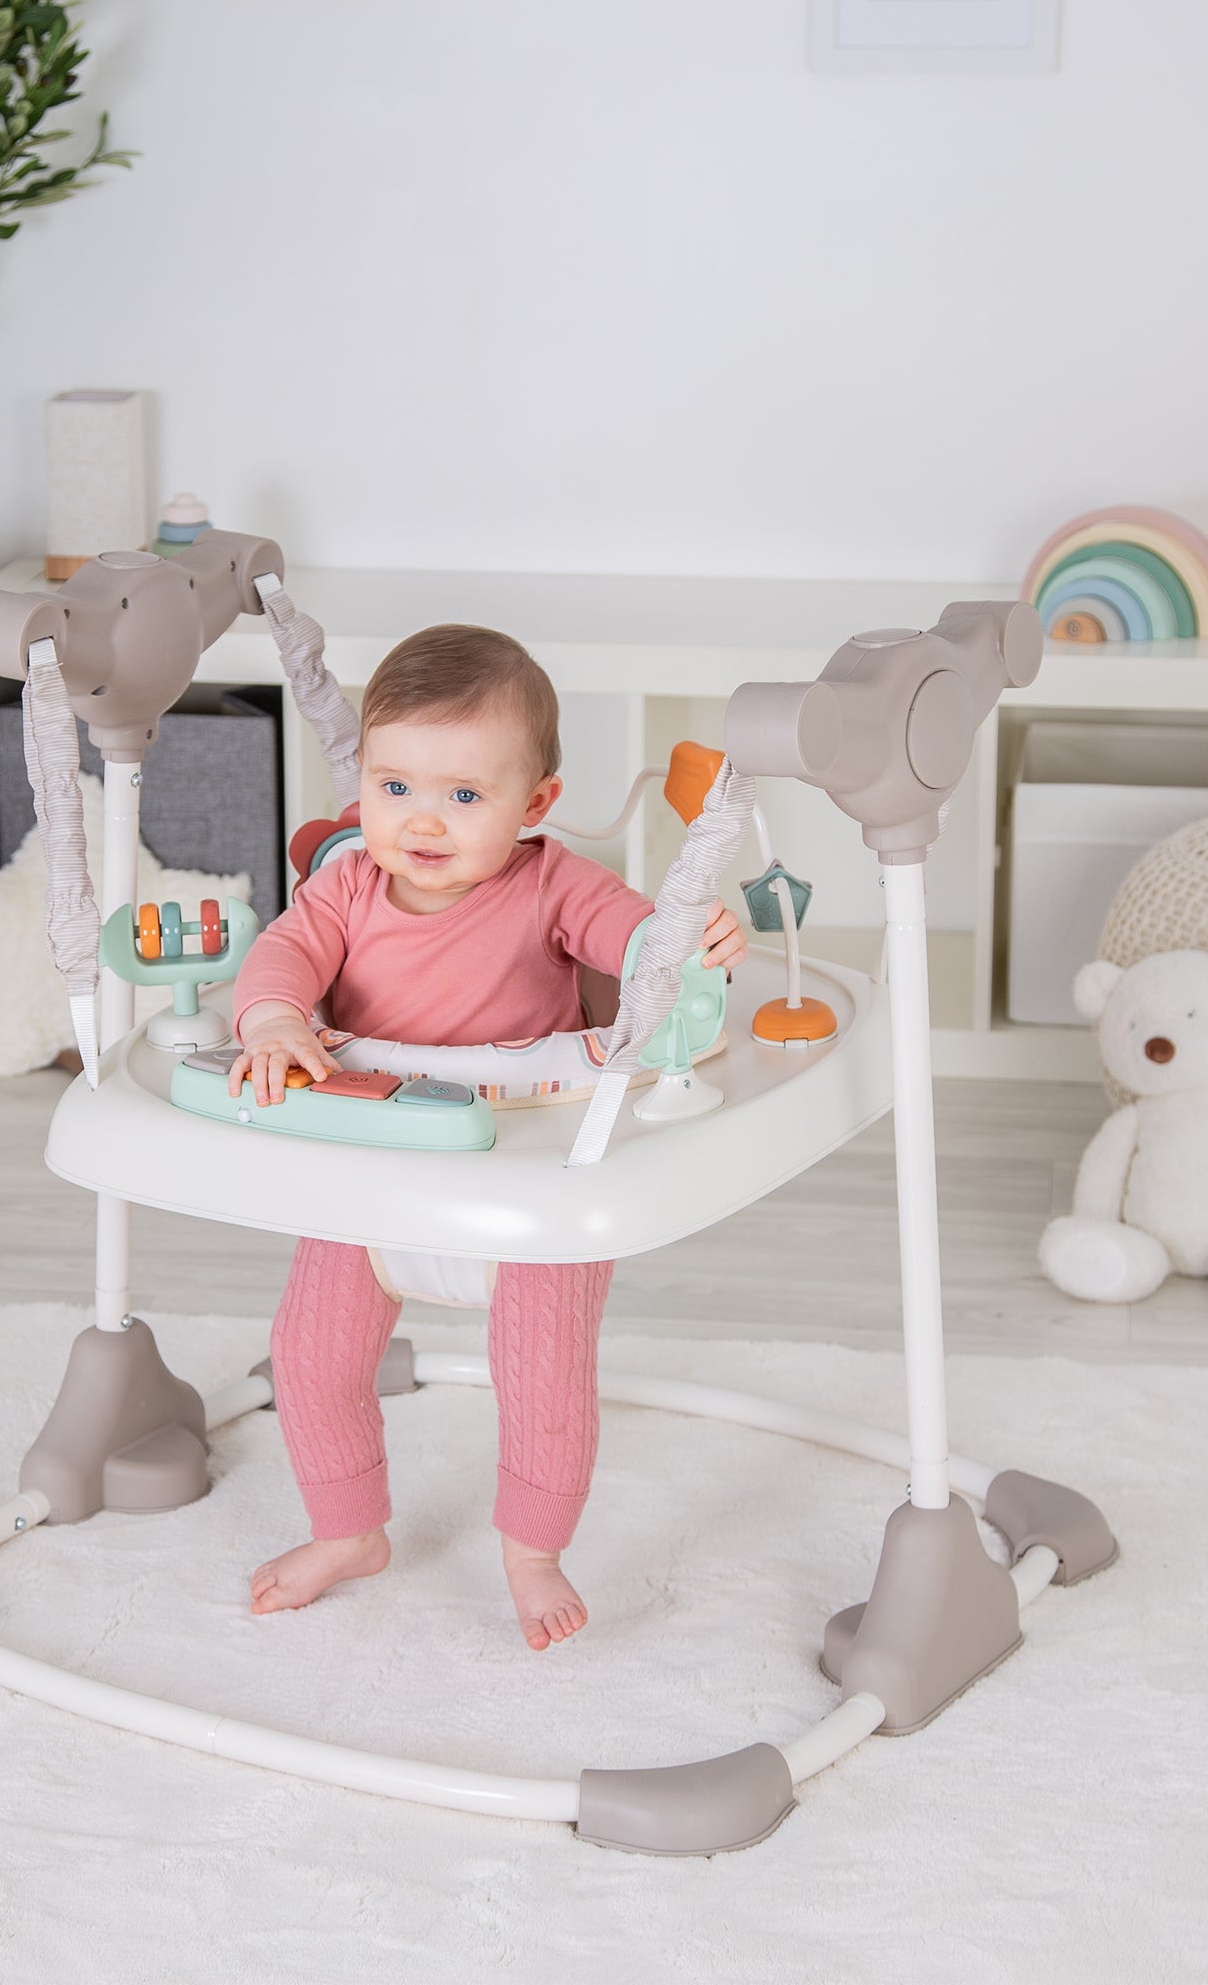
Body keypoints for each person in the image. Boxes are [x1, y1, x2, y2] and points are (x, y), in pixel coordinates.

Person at [228, 623, 745, 1649]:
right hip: (375, 1152)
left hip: (535, 1162)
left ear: (533, 804)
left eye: (463, 796)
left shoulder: (554, 884)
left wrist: (687, 938)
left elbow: (636, 942)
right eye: (394, 787)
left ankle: (532, 1551)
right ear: (362, 786)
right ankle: (346, 1529)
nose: (423, 821)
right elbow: (282, 956)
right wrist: (276, 1019)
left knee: (542, 1375)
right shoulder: (342, 888)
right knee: (309, 1355)